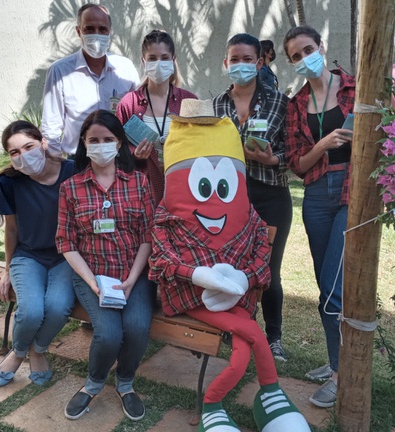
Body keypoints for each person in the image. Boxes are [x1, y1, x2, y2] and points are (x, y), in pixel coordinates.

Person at [149, 99, 310, 432]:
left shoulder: (250, 217)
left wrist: (241, 276)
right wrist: (198, 274)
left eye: (223, 187)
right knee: (251, 332)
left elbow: (261, 257)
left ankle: (225, 404)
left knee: (240, 353)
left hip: (234, 295)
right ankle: (265, 396)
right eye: (203, 188)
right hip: (188, 295)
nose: (213, 199)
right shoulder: (166, 216)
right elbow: (161, 259)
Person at [56, 110, 155, 422]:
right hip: (92, 274)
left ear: (120, 143)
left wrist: (131, 279)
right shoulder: (70, 188)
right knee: (108, 334)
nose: (101, 146)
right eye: (93, 140)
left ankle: (125, 383)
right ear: (84, 145)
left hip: (134, 273)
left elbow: (148, 236)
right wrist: (93, 283)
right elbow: (66, 243)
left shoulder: (139, 182)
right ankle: (93, 384)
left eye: (108, 139)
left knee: (138, 328)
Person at [283, 25, 355, 408]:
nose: (303, 58)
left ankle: (344, 375)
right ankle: (333, 361)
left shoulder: (354, 88)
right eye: (295, 55)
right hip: (315, 194)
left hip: (351, 193)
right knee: (323, 287)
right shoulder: (296, 105)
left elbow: (379, 137)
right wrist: (324, 145)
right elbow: (297, 163)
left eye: (308, 49)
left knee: (334, 287)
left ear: (322, 47)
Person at [212, 33, 292, 362]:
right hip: (233, 200)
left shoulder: (279, 101)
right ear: (225, 63)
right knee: (234, 267)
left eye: (248, 59)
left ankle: (274, 336)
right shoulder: (217, 105)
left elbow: (295, 152)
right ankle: (240, 329)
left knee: (268, 270)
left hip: (271, 195)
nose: (241, 65)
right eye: (235, 59)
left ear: (259, 63)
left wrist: (272, 159)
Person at [0, 120, 77, 387]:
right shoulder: (9, 181)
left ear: (43, 143)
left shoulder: (72, 171)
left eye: (28, 146)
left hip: (67, 255)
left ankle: (37, 349)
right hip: (28, 255)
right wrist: (7, 270)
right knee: (30, 311)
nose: (22, 155)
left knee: (58, 307)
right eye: (14, 152)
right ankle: (19, 353)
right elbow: (12, 230)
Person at [41, 3, 140, 157]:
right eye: (89, 29)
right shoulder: (60, 71)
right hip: (79, 160)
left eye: (102, 29)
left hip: (119, 157)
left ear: (109, 32)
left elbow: (138, 113)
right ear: (78, 31)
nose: (96, 34)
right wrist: (56, 164)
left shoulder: (125, 68)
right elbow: (51, 125)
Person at [115, 29, 198, 205]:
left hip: (185, 189)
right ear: (143, 62)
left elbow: (201, 144)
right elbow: (116, 151)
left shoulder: (189, 100)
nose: (158, 63)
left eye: (164, 58)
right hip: (142, 192)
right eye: (152, 58)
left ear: (173, 60)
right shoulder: (129, 103)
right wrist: (135, 155)